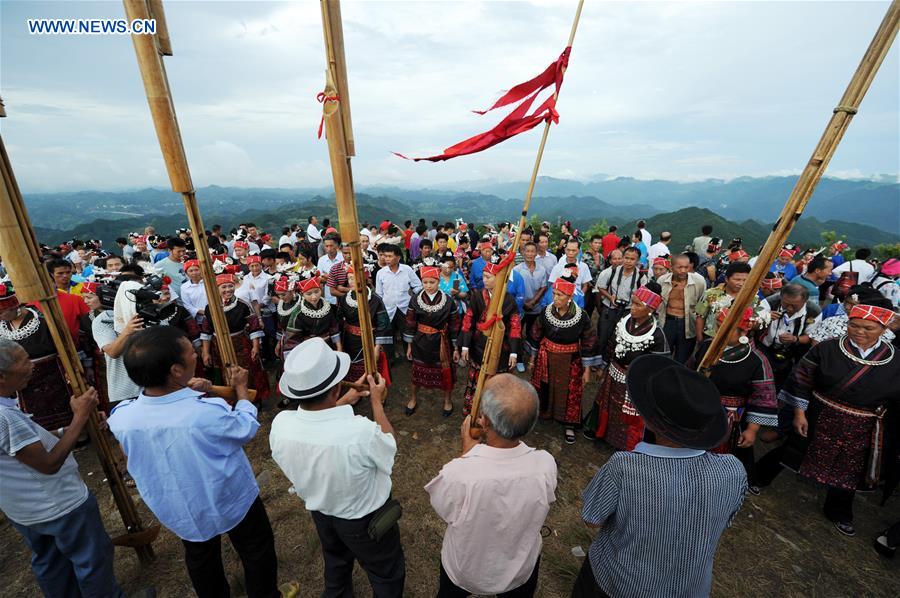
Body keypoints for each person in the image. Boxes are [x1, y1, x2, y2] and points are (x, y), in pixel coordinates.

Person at [109, 326, 279, 597]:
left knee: (201, 557)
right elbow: (245, 428)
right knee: (256, 548)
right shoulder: (204, 413)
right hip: (230, 497)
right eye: (191, 352)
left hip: (179, 505)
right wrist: (242, 390)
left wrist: (203, 389)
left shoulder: (121, 417)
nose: (197, 354)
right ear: (176, 370)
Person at [573, 355, 746, 598]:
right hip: (690, 589)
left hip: (620, 584)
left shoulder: (625, 467)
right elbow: (723, 520)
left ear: (650, 422)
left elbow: (592, 518)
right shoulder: (733, 470)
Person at [270, 338, 405, 597]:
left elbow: (316, 420)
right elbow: (389, 446)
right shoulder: (358, 432)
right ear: (334, 390)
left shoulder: (281, 425)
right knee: (386, 574)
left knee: (336, 565)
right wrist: (377, 401)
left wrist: (342, 401)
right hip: (364, 520)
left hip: (322, 513)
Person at [752, 302, 899, 536]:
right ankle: (757, 477)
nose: (859, 332)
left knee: (849, 468)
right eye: (854, 325)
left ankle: (839, 511)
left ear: (883, 329)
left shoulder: (895, 360)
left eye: (868, 328)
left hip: (861, 424)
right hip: (819, 412)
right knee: (793, 449)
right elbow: (801, 378)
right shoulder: (828, 348)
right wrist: (799, 412)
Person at [0, 338, 123, 597]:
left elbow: (28, 444)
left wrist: (74, 427)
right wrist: (80, 417)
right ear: (1, 376)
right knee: (92, 562)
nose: (32, 365)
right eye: (23, 361)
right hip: (58, 506)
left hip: (24, 509)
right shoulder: (5, 417)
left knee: (52, 566)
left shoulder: (6, 408)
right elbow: (48, 463)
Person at [426, 374, 556, 598]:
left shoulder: (458, 473)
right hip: (519, 570)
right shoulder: (545, 464)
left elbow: (445, 510)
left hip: (466, 570)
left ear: (484, 421)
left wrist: (467, 455)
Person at [688, 307, 777, 481]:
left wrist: (752, 430)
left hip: (727, 418)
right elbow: (689, 371)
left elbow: (764, 399)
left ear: (744, 331)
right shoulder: (707, 345)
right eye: (718, 325)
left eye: (724, 327)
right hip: (696, 409)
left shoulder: (757, 360)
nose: (718, 331)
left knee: (714, 458)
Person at [586, 283, 669, 450]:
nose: (633, 307)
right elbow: (612, 343)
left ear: (650, 309)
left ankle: (622, 442)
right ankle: (602, 432)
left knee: (628, 412)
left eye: (638, 304)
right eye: (633, 302)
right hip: (614, 372)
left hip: (635, 381)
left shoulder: (657, 335)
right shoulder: (624, 321)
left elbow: (656, 367)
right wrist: (603, 366)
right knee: (607, 403)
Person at [526, 278, 600, 444]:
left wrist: (587, 369)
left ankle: (569, 424)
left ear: (570, 297)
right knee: (546, 385)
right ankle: (546, 412)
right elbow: (536, 334)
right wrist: (532, 358)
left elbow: (589, 341)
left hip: (570, 359)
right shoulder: (546, 311)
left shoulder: (581, 316)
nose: (556, 298)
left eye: (560, 295)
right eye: (554, 294)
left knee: (569, 391)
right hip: (547, 356)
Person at [0, 284, 74, 431]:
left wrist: (69, 370)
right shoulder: (2, 326)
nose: (0, 316)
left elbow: (65, 348)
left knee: (61, 409)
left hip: (53, 375)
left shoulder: (43, 320)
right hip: (20, 381)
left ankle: (74, 435)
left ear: (13, 306)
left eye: (1, 312)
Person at [458, 261, 522, 415]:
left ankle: (495, 413)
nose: (484, 280)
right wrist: (465, 346)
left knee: (497, 381)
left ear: (498, 279)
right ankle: (473, 409)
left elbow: (515, 326)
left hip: (501, 347)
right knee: (477, 379)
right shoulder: (477, 296)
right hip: (478, 344)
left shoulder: (508, 300)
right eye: (483, 277)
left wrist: (514, 352)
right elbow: (468, 320)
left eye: (488, 277)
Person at [200, 274, 270, 402]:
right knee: (224, 371)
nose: (228, 289)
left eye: (231, 286)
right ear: (217, 289)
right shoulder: (210, 307)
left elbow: (254, 327)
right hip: (219, 346)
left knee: (246, 371)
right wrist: (205, 352)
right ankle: (229, 399)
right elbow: (206, 331)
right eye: (224, 287)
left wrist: (255, 346)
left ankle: (251, 399)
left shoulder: (243, 305)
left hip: (241, 343)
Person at [404, 266, 460, 416]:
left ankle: (447, 401)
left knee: (445, 372)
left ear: (439, 281)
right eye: (425, 282)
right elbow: (410, 322)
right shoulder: (415, 299)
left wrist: (456, 347)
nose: (428, 286)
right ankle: (413, 398)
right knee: (417, 372)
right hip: (420, 342)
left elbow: (455, 324)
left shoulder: (448, 301)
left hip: (442, 342)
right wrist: (409, 345)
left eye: (432, 282)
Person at [336, 264, 392, 383]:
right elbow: (339, 321)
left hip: (369, 340)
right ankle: (356, 392)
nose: (351, 281)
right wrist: (338, 343)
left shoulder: (375, 299)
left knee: (372, 368)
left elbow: (383, 324)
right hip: (349, 340)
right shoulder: (344, 298)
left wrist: (377, 347)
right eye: (349, 278)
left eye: (354, 278)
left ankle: (377, 392)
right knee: (352, 371)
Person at [758, 284, 819, 388]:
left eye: (795, 306)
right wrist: (765, 318)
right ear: (780, 297)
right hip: (764, 347)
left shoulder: (814, 311)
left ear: (805, 301)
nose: (789, 308)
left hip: (792, 353)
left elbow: (811, 336)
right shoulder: (769, 302)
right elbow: (752, 324)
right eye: (786, 304)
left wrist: (795, 339)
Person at [594, 247, 647, 359]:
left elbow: (644, 296)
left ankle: (614, 359)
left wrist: (634, 300)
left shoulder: (641, 277)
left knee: (621, 336)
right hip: (609, 308)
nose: (628, 261)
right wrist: (610, 297)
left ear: (637, 261)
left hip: (628, 311)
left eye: (632, 259)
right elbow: (601, 287)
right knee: (603, 335)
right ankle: (599, 359)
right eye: (626, 258)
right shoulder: (612, 271)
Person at [375, 243, 423, 363]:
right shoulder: (381, 273)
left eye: (390, 256)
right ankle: (389, 360)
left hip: (405, 308)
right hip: (387, 309)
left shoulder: (407, 270)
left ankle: (410, 357)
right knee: (387, 335)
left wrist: (417, 300)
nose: (386, 259)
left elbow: (417, 286)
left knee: (407, 333)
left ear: (398, 257)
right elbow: (379, 294)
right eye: (385, 256)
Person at [656, 254, 706, 363]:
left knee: (682, 358)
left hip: (688, 324)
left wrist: (699, 332)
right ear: (671, 267)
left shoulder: (699, 281)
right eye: (679, 267)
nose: (683, 270)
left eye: (686, 267)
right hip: (667, 322)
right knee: (662, 356)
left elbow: (702, 305)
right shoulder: (662, 281)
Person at [694, 261, 759, 344]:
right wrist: (700, 339)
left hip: (737, 341)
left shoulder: (752, 298)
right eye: (737, 279)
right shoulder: (711, 294)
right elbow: (700, 317)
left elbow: (755, 322)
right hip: (711, 338)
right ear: (726, 279)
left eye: (745, 280)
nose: (741, 283)